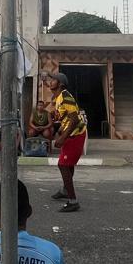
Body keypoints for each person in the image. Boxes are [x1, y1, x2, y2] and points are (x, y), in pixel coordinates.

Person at [47, 73, 86, 213]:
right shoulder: (58, 97)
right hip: (71, 134)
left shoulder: (65, 96)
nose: (51, 81)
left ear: (60, 84)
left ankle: (73, 201)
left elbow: (75, 119)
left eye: (54, 80)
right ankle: (65, 190)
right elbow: (66, 117)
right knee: (67, 164)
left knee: (63, 165)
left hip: (76, 135)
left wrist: (63, 137)